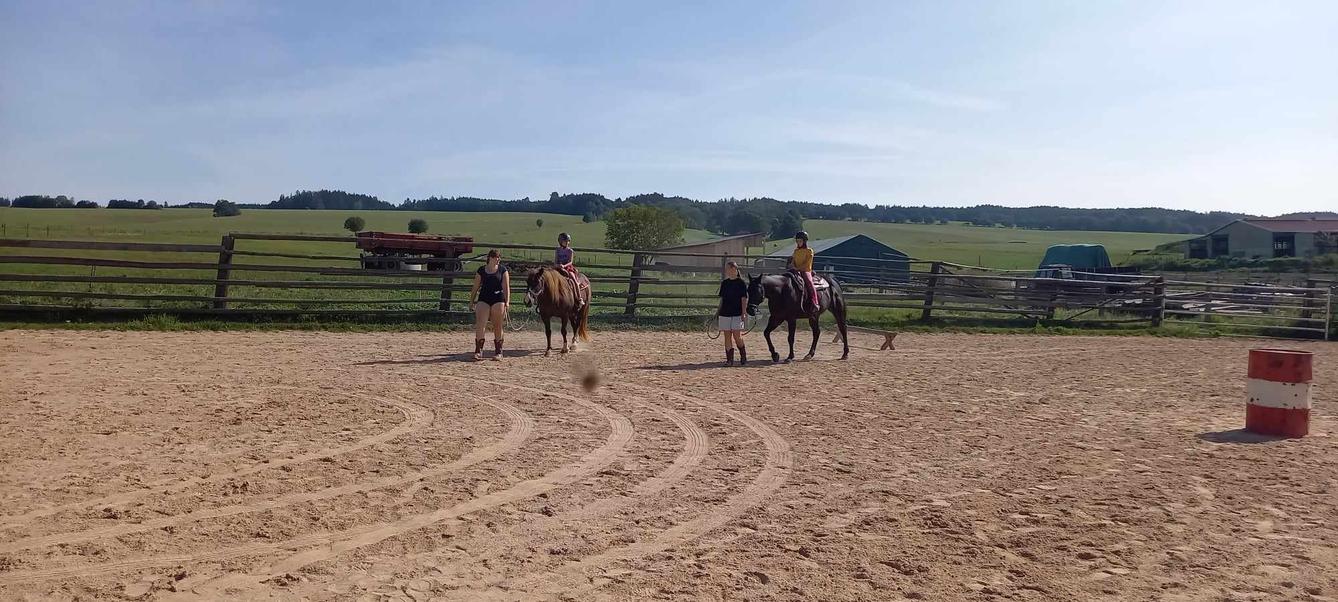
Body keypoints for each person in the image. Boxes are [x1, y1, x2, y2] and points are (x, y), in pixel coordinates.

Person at [470, 249, 510, 361]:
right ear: (490, 258)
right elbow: (475, 287)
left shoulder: (503, 270)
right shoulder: (481, 270)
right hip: (484, 298)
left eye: (499, 257)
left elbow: (506, 288)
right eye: (496, 257)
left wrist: (507, 302)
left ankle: (499, 351)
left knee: (497, 325)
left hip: (498, 298)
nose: (498, 259)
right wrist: (471, 300)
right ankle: (478, 350)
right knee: (480, 324)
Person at [717, 261, 749, 365]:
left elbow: (744, 299)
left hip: (737, 313)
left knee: (737, 336)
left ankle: (743, 354)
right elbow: (722, 299)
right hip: (725, 312)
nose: (726, 270)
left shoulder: (741, 283)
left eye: (728, 268)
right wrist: (718, 311)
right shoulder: (725, 283)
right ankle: (729, 360)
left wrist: (744, 312)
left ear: (733, 269)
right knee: (727, 335)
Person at [789, 230, 819, 316]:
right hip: (795, 270)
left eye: (800, 241)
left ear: (804, 241)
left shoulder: (809, 251)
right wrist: (792, 266)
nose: (798, 243)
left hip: (806, 270)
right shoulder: (796, 251)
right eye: (797, 241)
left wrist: (797, 268)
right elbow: (793, 261)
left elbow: (807, 264)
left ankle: (815, 302)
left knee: (809, 283)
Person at [554, 232, 584, 310]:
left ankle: (579, 298)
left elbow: (570, 262)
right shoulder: (557, 250)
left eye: (568, 241)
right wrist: (558, 265)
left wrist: (564, 266)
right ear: (560, 241)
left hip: (567, 267)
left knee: (573, 279)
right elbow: (555, 260)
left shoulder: (570, 251)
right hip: (558, 267)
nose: (567, 243)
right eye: (565, 241)